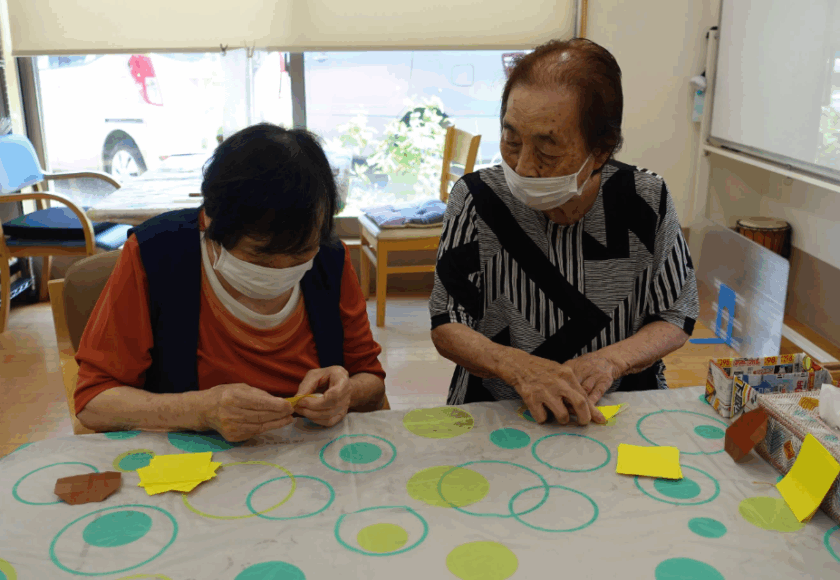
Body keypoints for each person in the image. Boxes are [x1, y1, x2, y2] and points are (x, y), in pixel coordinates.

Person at [429, 39, 698, 425]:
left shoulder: (645, 199)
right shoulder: (476, 198)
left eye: (547, 150)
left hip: (616, 407)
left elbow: (676, 313)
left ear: (601, 150)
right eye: (511, 140)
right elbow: (447, 322)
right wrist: (520, 369)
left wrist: (609, 361)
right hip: (500, 408)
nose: (522, 167)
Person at [75, 124, 386, 441]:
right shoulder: (156, 255)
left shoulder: (329, 259)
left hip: (312, 454)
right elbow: (93, 402)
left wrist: (346, 392)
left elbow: (371, 379)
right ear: (210, 220)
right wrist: (200, 410)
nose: (279, 271)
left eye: (299, 257)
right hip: (194, 460)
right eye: (259, 259)